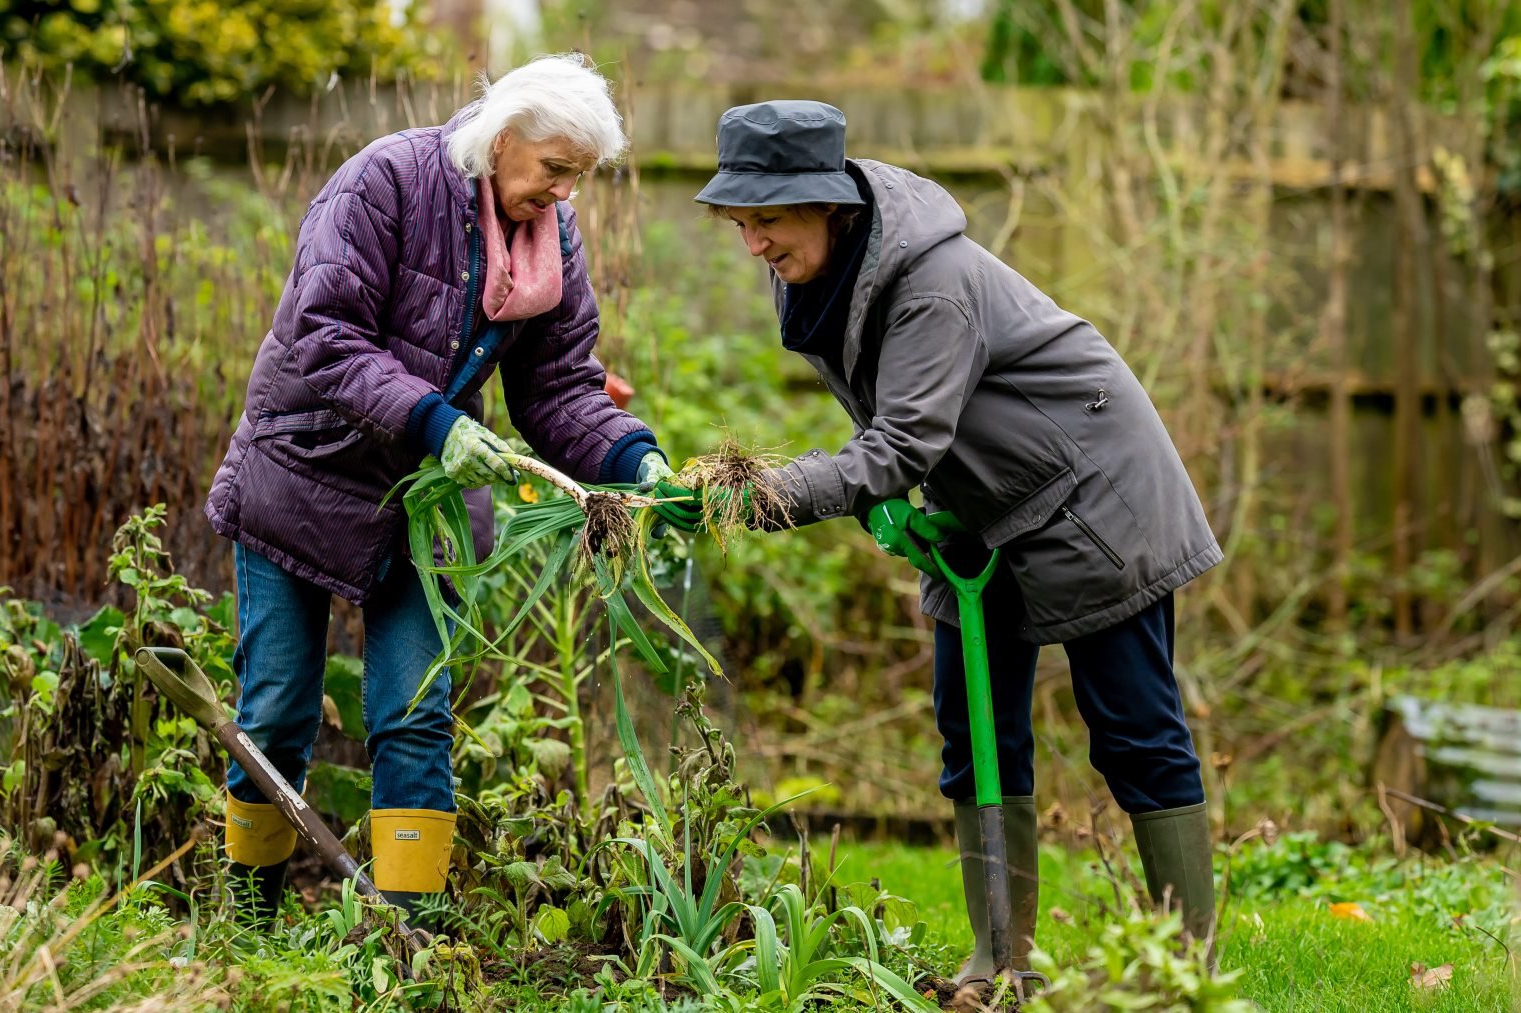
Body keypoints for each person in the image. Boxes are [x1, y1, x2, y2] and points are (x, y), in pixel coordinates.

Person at [654, 100, 1222, 975]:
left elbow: (904, 438)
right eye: (741, 223)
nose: (753, 244)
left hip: (1093, 495)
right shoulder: (815, 273)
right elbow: (891, 424)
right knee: (974, 728)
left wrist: (766, 493)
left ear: (826, 204)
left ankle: (1187, 968)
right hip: (982, 508)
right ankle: (1000, 962)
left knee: (1132, 729)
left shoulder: (931, 282)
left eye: (766, 220)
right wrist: (880, 501)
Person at [204, 53, 674, 922]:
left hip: (425, 500)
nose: (564, 195)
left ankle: (402, 938)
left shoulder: (548, 238)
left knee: (414, 713)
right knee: (274, 709)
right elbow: (325, 332)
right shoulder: (384, 182)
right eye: (555, 171)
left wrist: (634, 457)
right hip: (304, 471)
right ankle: (251, 919)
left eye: (578, 178)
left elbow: (560, 387)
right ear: (502, 139)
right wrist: (438, 420)